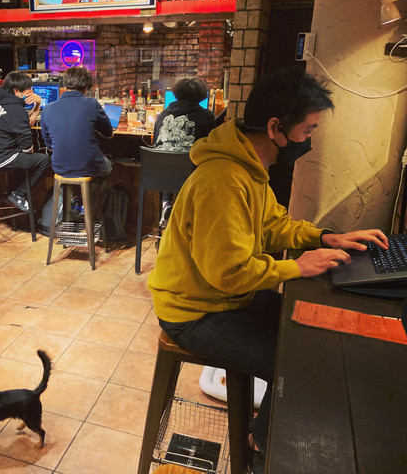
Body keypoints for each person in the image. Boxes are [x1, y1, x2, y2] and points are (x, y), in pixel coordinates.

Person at [147, 70, 388, 472]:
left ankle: (261, 434)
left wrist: (325, 237)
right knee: (296, 364)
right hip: (194, 312)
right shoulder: (222, 181)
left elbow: (273, 224)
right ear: (276, 128)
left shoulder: (249, 166)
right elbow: (228, 273)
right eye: (307, 130)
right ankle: (260, 450)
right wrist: (296, 266)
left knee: (312, 339)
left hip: (226, 298)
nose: (309, 140)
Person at [40, 66, 114, 219]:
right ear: (86, 87)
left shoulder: (48, 109)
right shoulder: (92, 104)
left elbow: (49, 145)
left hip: (60, 167)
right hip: (89, 165)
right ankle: (90, 206)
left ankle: (77, 201)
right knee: (108, 167)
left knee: (73, 167)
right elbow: (109, 134)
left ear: (65, 84)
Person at [0, 71, 51, 214]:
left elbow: (26, 124)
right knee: (44, 160)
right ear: (17, 91)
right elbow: (27, 147)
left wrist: (38, 104)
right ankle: (18, 194)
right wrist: (30, 153)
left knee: (25, 159)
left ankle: (11, 192)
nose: (32, 92)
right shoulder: (16, 110)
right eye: (29, 89)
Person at [152, 77, 216, 225]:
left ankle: (166, 204)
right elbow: (210, 146)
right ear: (200, 95)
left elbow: (155, 142)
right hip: (190, 175)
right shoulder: (206, 116)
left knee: (169, 158)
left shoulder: (163, 114)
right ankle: (189, 216)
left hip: (159, 175)